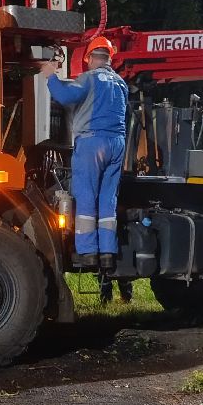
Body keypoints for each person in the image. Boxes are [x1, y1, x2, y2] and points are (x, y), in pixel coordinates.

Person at [40, 35, 129, 269]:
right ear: (110, 58)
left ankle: (88, 253)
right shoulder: (121, 83)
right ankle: (108, 252)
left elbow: (66, 96)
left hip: (92, 142)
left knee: (86, 195)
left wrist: (50, 75)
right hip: (117, 144)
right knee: (108, 199)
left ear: (90, 58)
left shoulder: (89, 78)